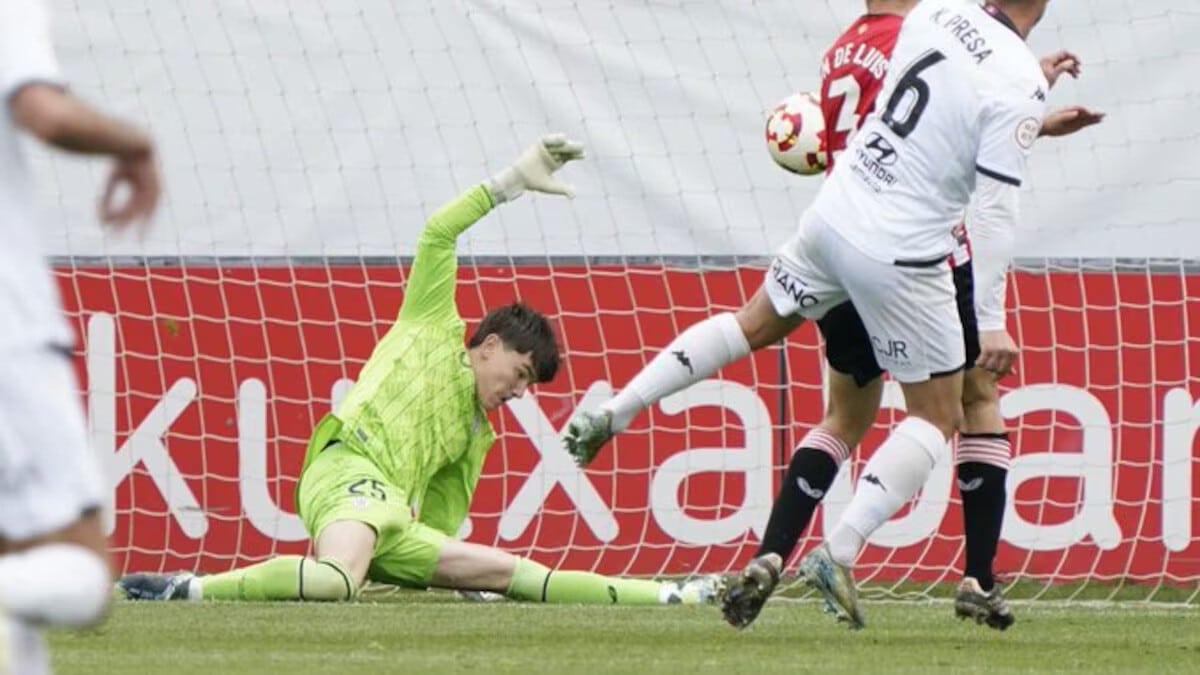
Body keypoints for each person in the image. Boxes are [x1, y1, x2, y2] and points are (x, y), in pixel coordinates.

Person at [566, 0, 1081, 630]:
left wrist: (1029, 103)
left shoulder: (929, 19)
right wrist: (991, 315)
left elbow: (945, 102)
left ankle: (619, 408)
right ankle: (844, 552)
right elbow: (995, 204)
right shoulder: (993, 65)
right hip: (905, 249)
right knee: (943, 412)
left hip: (834, 215)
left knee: (756, 329)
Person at [117, 135, 720, 608]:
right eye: (519, 373)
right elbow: (438, 231)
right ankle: (188, 588)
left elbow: (435, 527)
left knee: (514, 574)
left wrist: (456, 572)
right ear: (488, 345)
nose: (520, 391)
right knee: (336, 583)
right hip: (346, 469)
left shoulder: (476, 434)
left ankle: (676, 595)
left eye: (529, 384)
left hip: (388, 522)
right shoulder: (432, 323)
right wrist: (511, 182)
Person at [718, 1, 1104, 631]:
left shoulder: (879, 38)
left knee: (844, 417)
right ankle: (970, 576)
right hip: (922, 251)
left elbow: (931, 109)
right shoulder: (920, 27)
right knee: (970, 400)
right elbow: (965, 148)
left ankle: (770, 555)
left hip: (843, 237)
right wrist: (1028, 100)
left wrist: (1032, 105)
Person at [0, 0, 162, 672]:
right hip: (10, 333)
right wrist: (135, 143)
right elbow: (46, 112)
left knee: (19, 567)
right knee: (83, 574)